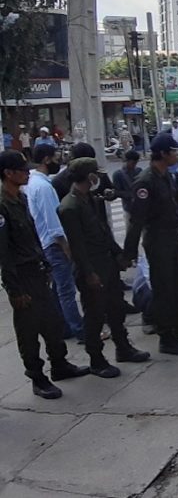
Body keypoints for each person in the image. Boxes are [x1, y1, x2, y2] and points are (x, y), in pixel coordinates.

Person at [0, 151, 89, 399]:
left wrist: (45, 263)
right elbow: (4, 254)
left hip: (38, 271)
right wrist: (14, 290)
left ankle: (59, 365)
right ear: (8, 173)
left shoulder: (21, 198)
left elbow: (33, 236)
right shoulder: (3, 205)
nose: (27, 172)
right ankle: (37, 377)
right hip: (22, 277)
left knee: (53, 323)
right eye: (22, 169)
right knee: (29, 331)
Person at [57, 158, 150, 377]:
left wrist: (119, 254)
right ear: (89, 177)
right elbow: (77, 247)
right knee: (95, 316)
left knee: (116, 308)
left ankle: (123, 347)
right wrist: (89, 273)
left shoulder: (89, 198)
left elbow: (103, 231)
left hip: (107, 264)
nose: (99, 178)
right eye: (95, 174)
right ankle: (96, 359)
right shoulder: (69, 207)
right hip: (91, 269)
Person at [125, 134, 178, 355]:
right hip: (158, 242)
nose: (176, 155)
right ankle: (166, 337)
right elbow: (137, 220)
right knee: (164, 290)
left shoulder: (165, 176)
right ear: (163, 154)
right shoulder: (145, 182)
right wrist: (127, 254)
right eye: (173, 151)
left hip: (172, 238)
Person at [25, 144, 85, 342]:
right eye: (56, 157)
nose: (59, 161)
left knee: (58, 290)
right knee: (66, 290)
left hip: (47, 243)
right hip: (54, 245)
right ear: (46, 160)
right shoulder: (42, 187)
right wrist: (66, 248)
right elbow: (54, 222)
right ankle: (79, 329)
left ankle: (64, 326)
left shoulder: (35, 183)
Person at [112, 150, 142, 226]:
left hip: (141, 207)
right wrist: (130, 195)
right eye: (133, 163)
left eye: (136, 163)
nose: (134, 165)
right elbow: (117, 192)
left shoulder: (139, 171)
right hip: (129, 208)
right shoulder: (118, 175)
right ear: (126, 161)